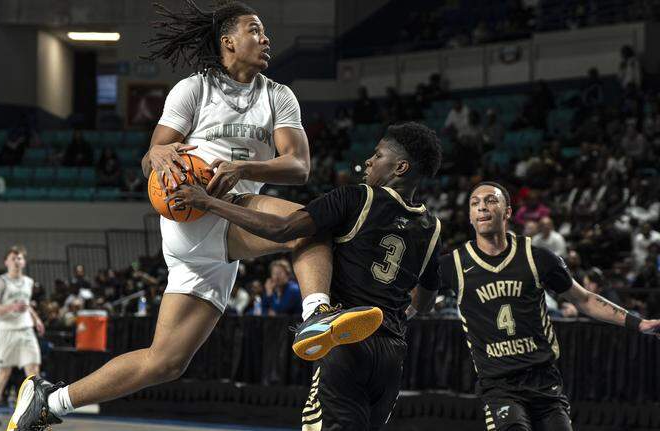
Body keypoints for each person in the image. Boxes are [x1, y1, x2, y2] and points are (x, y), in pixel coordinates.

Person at [5, 2, 378, 429]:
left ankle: (49, 402)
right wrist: (157, 154)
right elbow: (152, 158)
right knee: (307, 225)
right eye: (255, 30)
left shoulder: (278, 96)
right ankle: (315, 314)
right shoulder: (194, 89)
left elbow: (299, 166)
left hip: (225, 232)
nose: (266, 39)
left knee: (165, 361)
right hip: (192, 213)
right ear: (228, 41)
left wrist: (244, 169)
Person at [170, 122, 444, 430]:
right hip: (391, 354)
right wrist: (395, 316)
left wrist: (209, 203)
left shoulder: (358, 198)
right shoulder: (431, 228)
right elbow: (424, 302)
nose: (368, 161)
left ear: (400, 167)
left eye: (378, 155)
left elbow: (282, 229)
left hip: (346, 338)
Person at [440, 182, 660, 431]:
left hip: (544, 381)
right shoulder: (453, 265)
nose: (482, 207)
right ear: (470, 216)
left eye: (490, 200)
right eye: (474, 203)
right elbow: (418, 297)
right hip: (498, 386)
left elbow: (584, 299)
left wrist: (639, 323)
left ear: (508, 211)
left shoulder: (538, 258)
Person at [0, 246, 44, 427]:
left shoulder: (28, 281)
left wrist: (36, 319)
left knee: (33, 371)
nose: (17, 261)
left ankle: (33, 412)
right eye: (13, 258)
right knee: (4, 373)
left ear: (23, 262)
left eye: (19, 258)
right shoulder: (0, 282)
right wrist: (11, 307)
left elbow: (26, 304)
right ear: (6, 262)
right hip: (7, 331)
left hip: (26, 330)